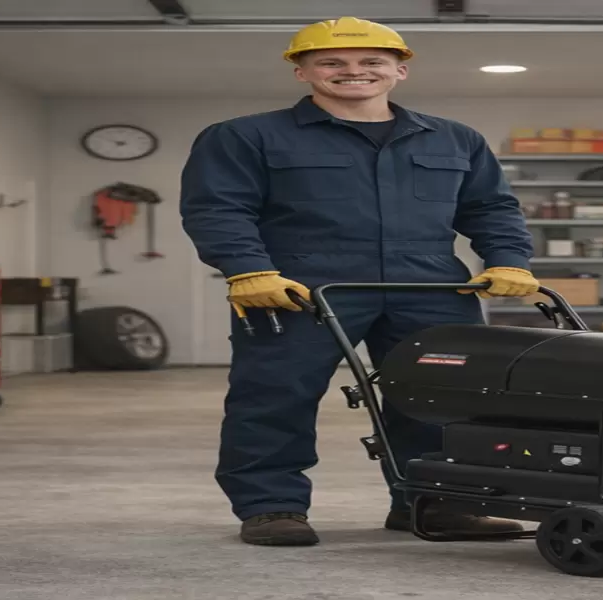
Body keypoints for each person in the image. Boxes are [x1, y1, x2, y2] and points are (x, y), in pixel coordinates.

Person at [178, 16, 540, 546]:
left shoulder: (455, 138)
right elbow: (218, 208)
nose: (354, 71)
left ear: (400, 70)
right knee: (276, 394)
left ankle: (436, 502)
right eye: (332, 62)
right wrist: (245, 269)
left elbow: (491, 207)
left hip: (429, 286)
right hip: (298, 288)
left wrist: (509, 259)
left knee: (442, 396)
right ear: (302, 72)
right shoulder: (244, 136)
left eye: (372, 61)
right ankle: (271, 506)